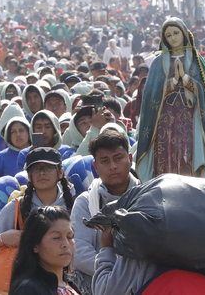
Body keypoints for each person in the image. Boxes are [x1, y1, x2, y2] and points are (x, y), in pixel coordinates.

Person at [135, 17, 205, 182]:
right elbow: (151, 96)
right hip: (164, 120)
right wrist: (174, 81)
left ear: (184, 33)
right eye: (168, 35)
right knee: (165, 156)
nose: (173, 38)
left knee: (187, 158)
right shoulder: (158, 63)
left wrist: (186, 79)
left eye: (176, 33)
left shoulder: (197, 61)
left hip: (191, 120)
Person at [71, 125, 139, 294]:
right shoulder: (85, 203)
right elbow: (79, 252)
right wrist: (117, 275)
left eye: (118, 158)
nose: (113, 166)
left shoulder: (145, 196)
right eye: (105, 161)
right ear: (95, 166)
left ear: (129, 158)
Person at [0, 147, 75, 260]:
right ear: (29, 176)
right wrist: (2, 239)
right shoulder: (17, 207)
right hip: (27, 275)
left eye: (49, 167)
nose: (42, 173)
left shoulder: (75, 205)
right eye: (35, 169)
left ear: (60, 172)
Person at [9, 206, 80, 295]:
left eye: (69, 237)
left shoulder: (70, 286)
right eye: (56, 238)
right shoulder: (28, 289)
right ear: (35, 245)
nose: (65, 244)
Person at [0, 115, 31, 180]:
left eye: (21, 130)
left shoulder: (36, 152)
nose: (18, 134)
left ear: (29, 132)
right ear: (8, 135)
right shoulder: (1, 157)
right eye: (13, 132)